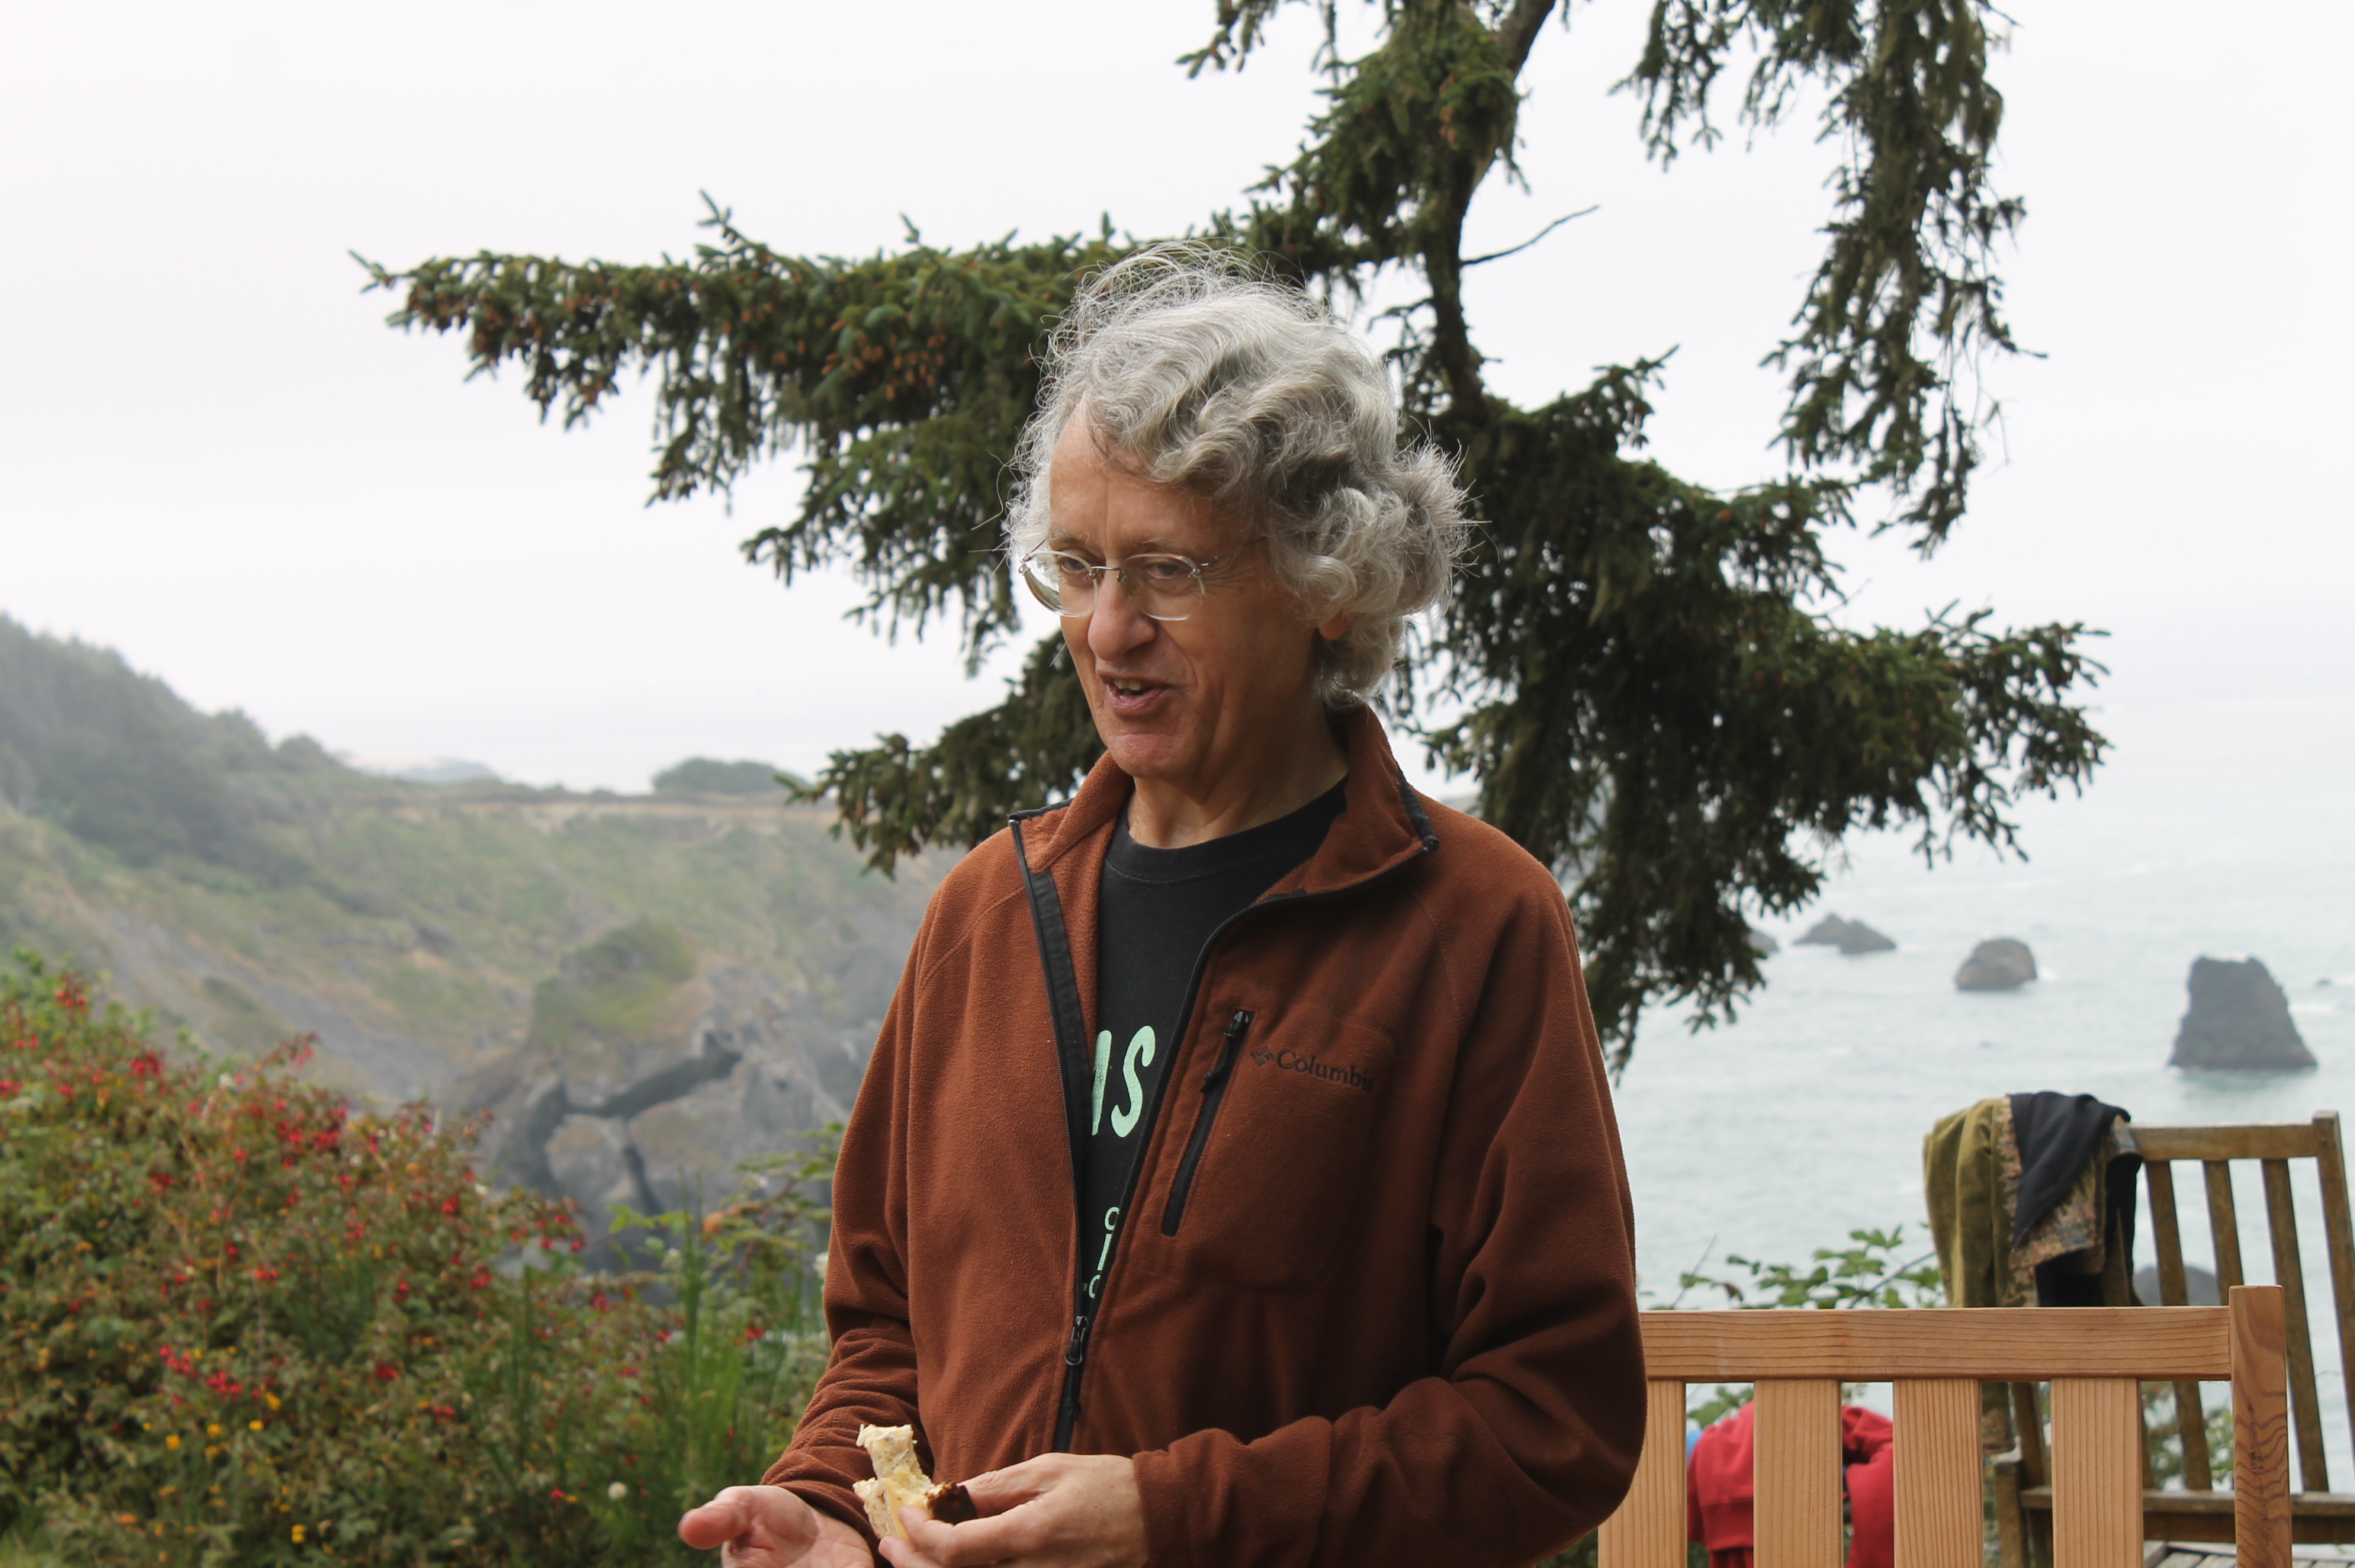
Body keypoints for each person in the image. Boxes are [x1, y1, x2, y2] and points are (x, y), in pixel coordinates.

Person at [679, 246, 1644, 1568]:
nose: (1106, 630)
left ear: (1327, 581)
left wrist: (1173, 1518)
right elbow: (887, 1329)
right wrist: (836, 1508)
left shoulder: (1476, 926)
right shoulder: (986, 911)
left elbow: (1554, 1425)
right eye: (1077, 567)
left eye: (1168, 572)